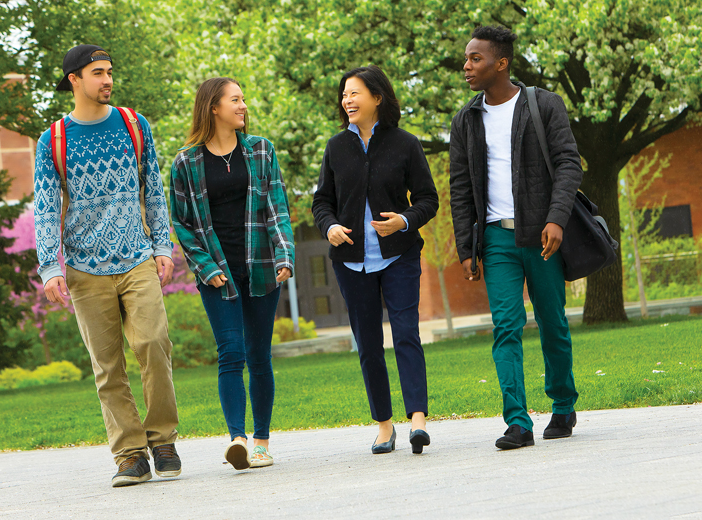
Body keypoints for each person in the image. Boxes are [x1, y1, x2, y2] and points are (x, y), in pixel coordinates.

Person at [34, 44, 181, 486]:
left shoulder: (134, 126)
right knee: (107, 367)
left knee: (154, 344)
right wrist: (50, 266)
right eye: (98, 72)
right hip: (83, 268)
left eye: (109, 71)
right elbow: (44, 207)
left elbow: (153, 187)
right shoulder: (53, 141)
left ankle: (163, 438)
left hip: (137, 258)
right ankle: (130, 455)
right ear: (74, 80)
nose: (108, 80)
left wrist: (162, 245)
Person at [449, 26, 583, 450]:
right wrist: (467, 248)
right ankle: (517, 422)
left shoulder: (544, 104)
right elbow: (460, 188)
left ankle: (563, 404)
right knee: (505, 327)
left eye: (475, 59)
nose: (466, 66)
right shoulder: (465, 120)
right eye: (467, 59)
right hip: (495, 239)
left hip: (541, 234)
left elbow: (567, 164)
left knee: (552, 323)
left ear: (501, 63)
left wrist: (557, 218)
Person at [311, 65, 439, 455]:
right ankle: (384, 425)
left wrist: (403, 220)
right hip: (351, 263)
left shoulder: (405, 143)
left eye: (355, 93)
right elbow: (322, 201)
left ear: (377, 98)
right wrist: (329, 226)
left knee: (405, 334)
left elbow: (428, 199)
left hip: (398, 256)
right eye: (344, 95)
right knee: (367, 344)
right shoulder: (336, 147)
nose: (347, 100)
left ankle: (417, 419)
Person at [169, 77, 294, 471]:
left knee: (259, 356)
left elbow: (277, 208)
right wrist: (207, 268)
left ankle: (261, 442)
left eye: (243, 100)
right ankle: (236, 439)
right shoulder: (186, 162)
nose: (242, 106)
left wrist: (284, 256)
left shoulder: (260, 150)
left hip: (260, 268)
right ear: (213, 107)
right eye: (235, 100)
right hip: (217, 273)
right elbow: (183, 223)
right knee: (230, 353)